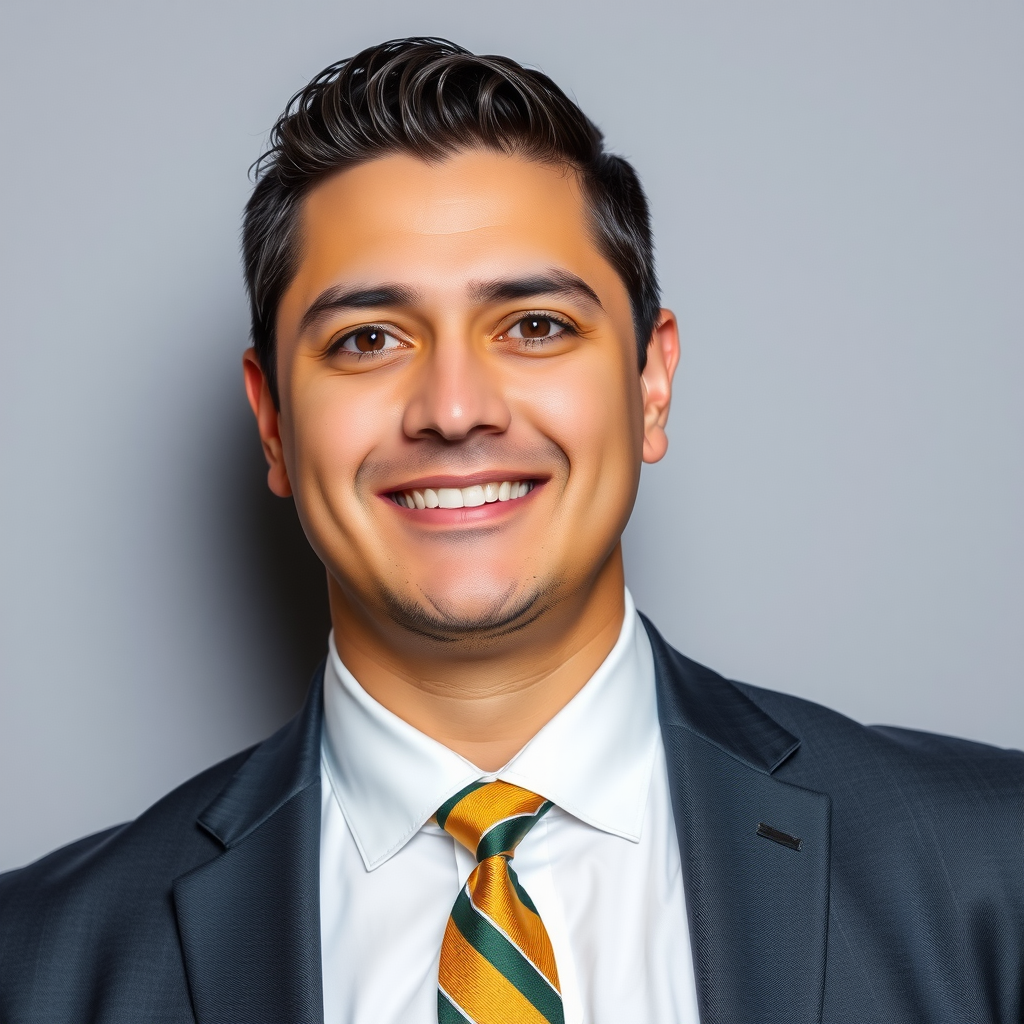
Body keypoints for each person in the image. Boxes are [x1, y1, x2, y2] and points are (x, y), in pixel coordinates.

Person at [1, 36, 1021, 1024]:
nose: (454, 408)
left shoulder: (995, 868)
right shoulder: (34, 961)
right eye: (367, 339)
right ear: (272, 420)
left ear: (650, 383)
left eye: (534, 326)